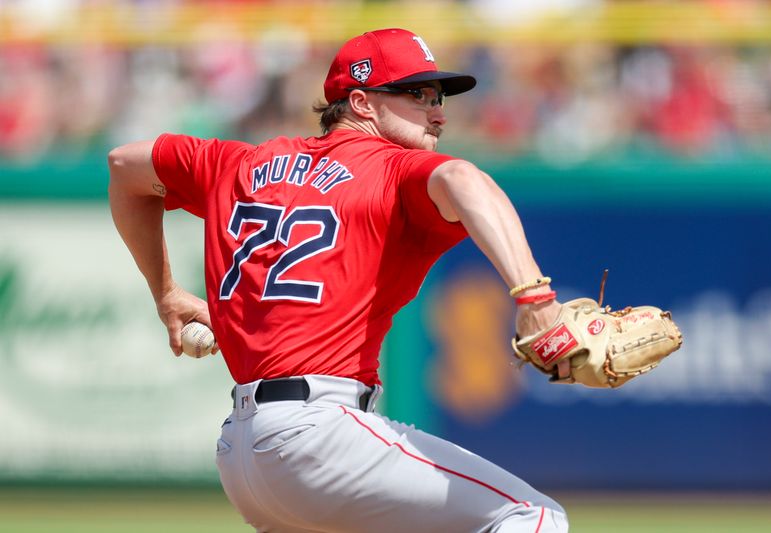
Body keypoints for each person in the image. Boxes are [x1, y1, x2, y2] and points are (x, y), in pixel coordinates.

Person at [109, 28, 570, 533]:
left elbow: (124, 166)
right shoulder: (394, 171)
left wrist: (166, 294)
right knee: (532, 516)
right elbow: (464, 181)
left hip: (243, 453)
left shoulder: (238, 163)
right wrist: (536, 297)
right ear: (360, 102)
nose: (438, 111)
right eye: (419, 95)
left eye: (439, 97)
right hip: (323, 436)